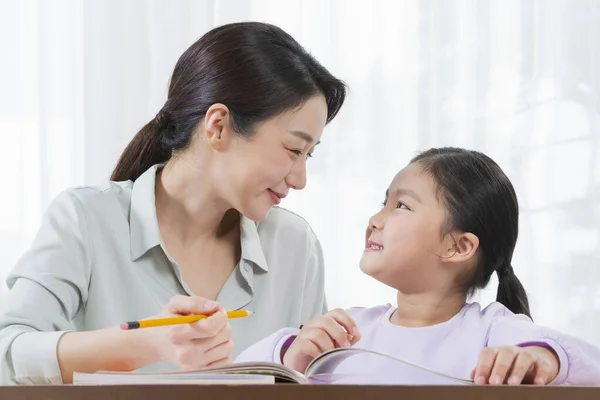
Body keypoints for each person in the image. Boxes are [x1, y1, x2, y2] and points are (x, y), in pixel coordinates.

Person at [0, 21, 346, 385]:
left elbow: (314, 383)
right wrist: (143, 344)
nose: (300, 179)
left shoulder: (294, 246)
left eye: (309, 155)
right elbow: (8, 352)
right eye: (294, 150)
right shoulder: (86, 219)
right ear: (218, 127)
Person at [236, 147, 600, 386]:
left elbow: (588, 366)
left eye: (402, 206)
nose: (375, 219)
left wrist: (542, 359)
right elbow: (234, 376)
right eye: (384, 202)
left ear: (459, 246)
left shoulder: (494, 331)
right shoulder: (347, 331)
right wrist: (291, 356)